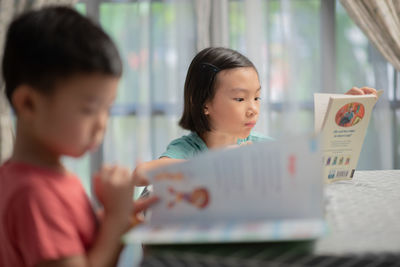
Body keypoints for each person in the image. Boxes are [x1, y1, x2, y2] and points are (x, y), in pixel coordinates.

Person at [0, 6, 157, 267]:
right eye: (89, 109)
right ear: (28, 104)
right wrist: (116, 221)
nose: (102, 125)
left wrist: (110, 218)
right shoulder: (35, 195)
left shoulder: (34, 177)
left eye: (107, 109)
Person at [133, 47, 378, 186]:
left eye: (257, 97)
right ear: (204, 103)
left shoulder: (260, 147)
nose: (253, 109)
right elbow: (140, 174)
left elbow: (309, 167)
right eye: (240, 99)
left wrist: (340, 118)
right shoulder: (189, 149)